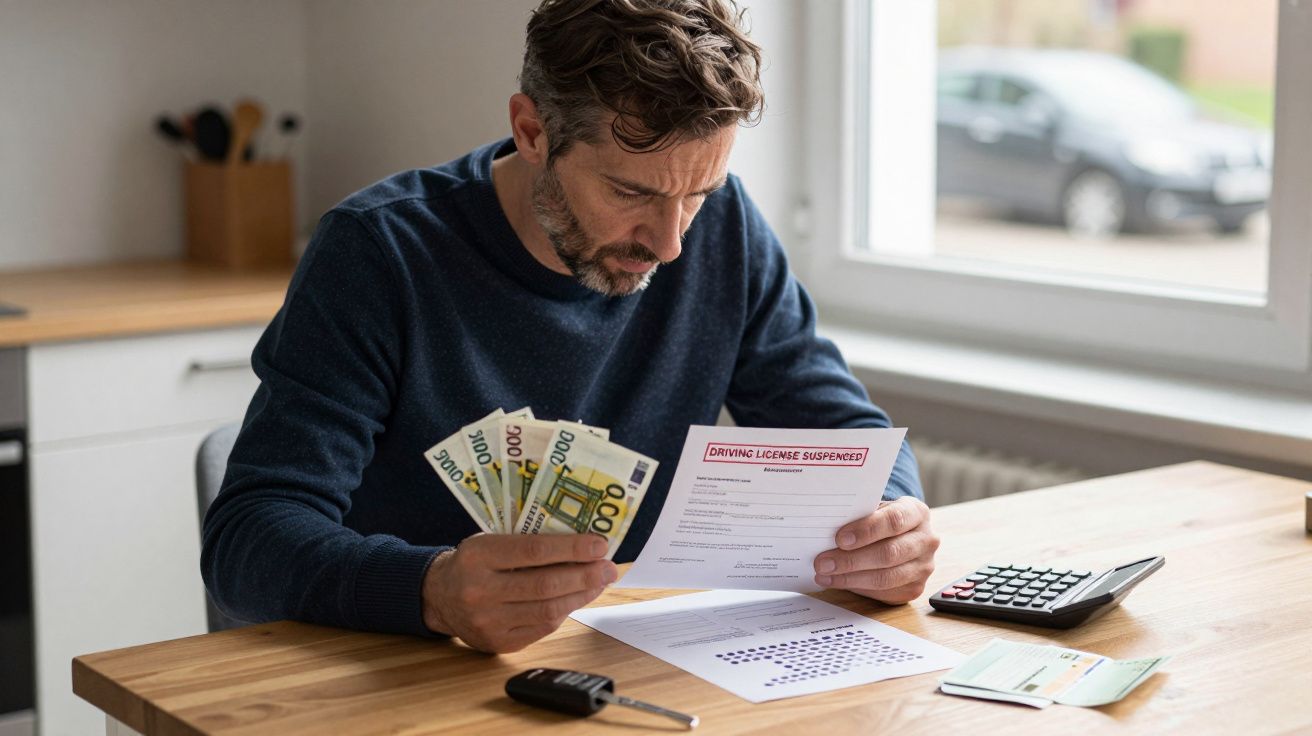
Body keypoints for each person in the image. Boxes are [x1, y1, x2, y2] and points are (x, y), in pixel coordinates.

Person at [202, 0, 939, 654]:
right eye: (630, 192)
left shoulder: (727, 229)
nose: (670, 244)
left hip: (627, 660)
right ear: (531, 131)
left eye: (698, 194)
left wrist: (889, 525)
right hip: (406, 674)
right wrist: (431, 590)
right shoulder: (377, 252)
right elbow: (248, 538)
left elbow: (847, 433)